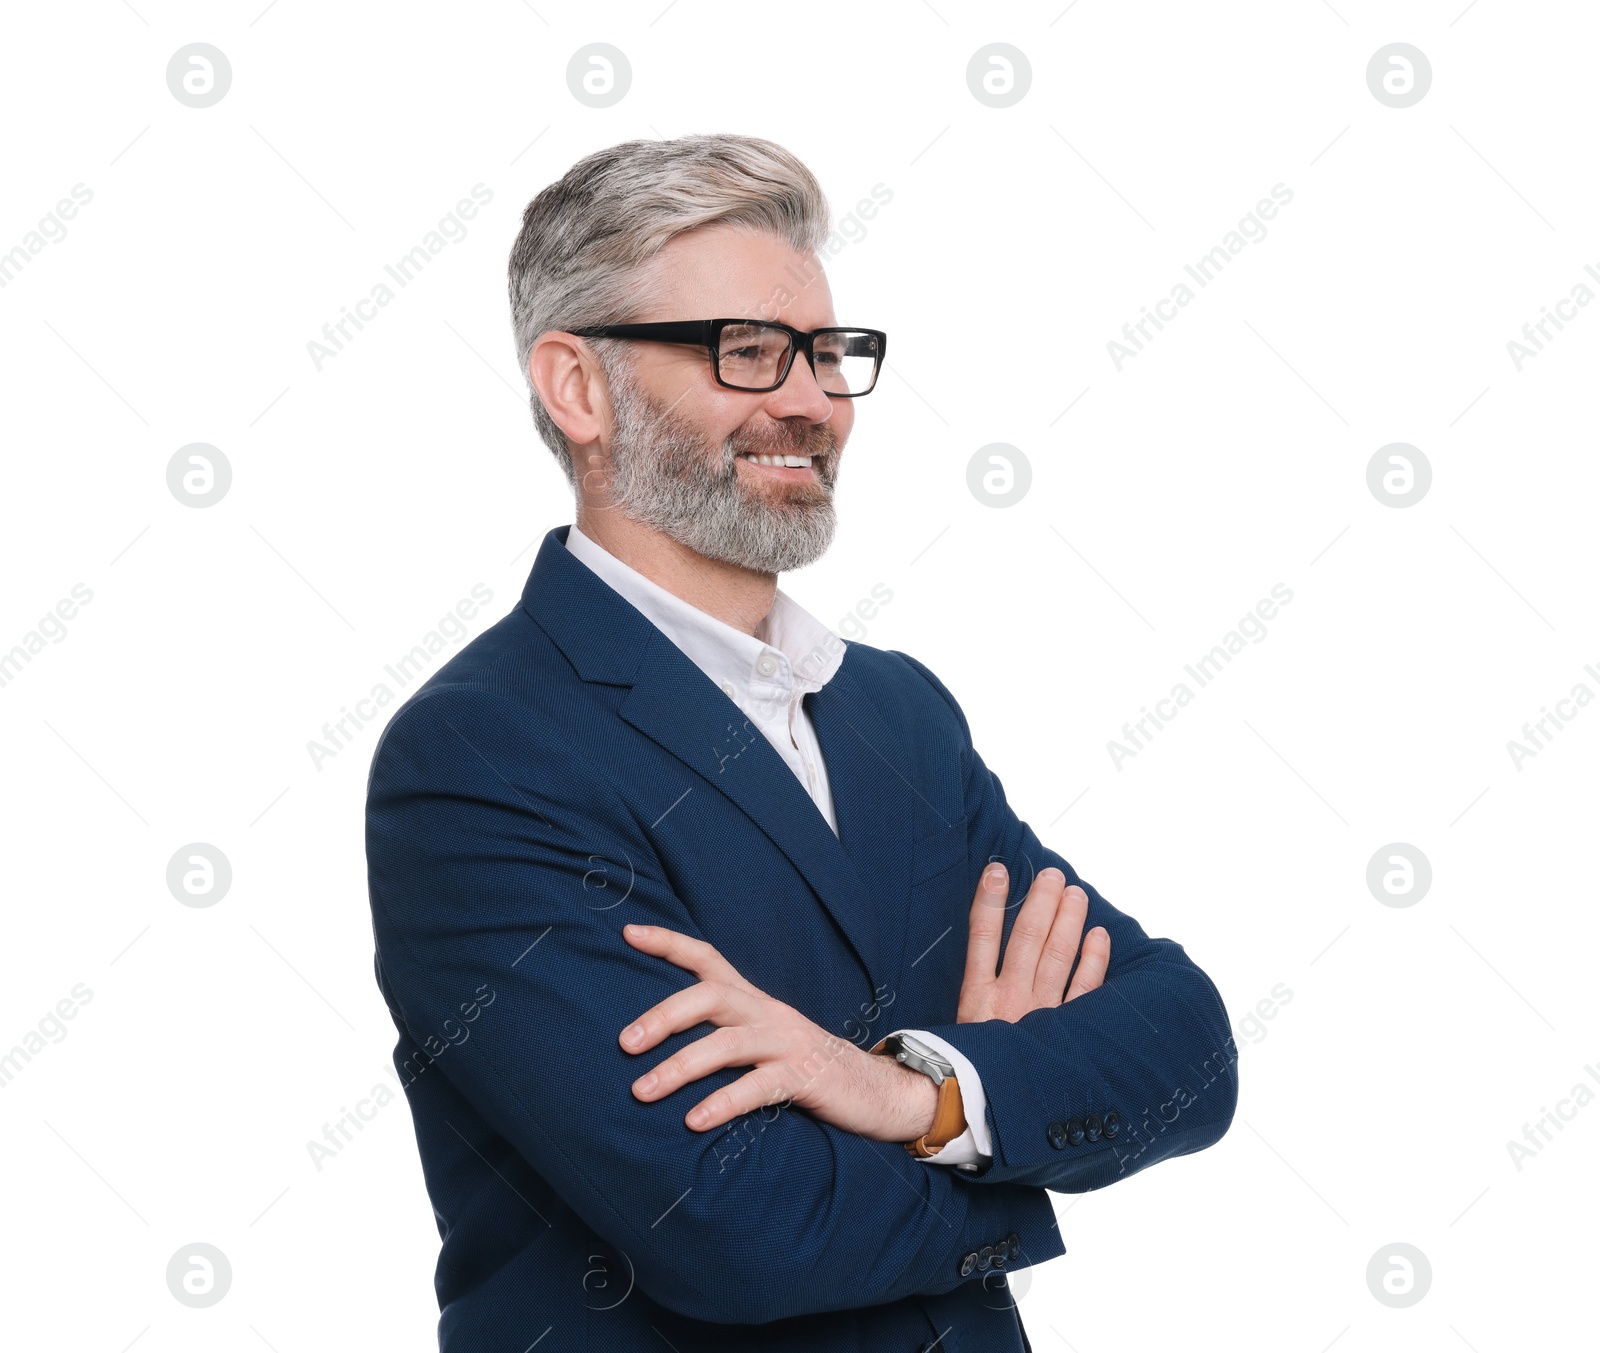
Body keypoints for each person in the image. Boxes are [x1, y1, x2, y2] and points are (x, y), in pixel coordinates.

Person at [365, 133, 1237, 1352]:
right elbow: (735, 1229)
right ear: (578, 388)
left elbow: (1189, 1049)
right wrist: (1006, 1127)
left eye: (829, 354)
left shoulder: (896, 713)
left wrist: (909, 1092)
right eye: (747, 351)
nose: (812, 400)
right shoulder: (479, 757)